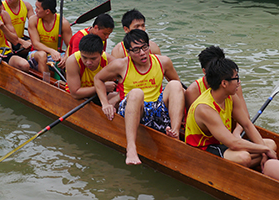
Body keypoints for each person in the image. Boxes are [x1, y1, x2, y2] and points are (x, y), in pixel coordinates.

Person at [94, 29, 185, 165]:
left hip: (156, 110)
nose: (142, 53)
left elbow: (179, 88)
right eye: (136, 50)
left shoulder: (164, 62)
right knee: (137, 93)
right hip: (133, 110)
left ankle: (175, 133)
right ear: (128, 52)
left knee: (175, 85)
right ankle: (131, 148)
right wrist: (105, 103)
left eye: (144, 47)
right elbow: (98, 79)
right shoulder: (121, 65)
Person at [185, 57, 277, 171]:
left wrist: (264, 152)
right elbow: (233, 143)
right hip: (203, 148)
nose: (239, 82)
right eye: (236, 78)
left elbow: (247, 125)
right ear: (224, 83)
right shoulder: (205, 109)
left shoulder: (231, 97)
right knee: (244, 158)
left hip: (224, 143)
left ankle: (247, 166)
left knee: (271, 144)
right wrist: (264, 150)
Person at [185, 46, 248, 136]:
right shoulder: (193, 91)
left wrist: (237, 132)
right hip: (210, 138)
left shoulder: (233, 84)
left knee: (271, 144)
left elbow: (245, 116)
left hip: (229, 136)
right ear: (204, 71)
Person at [65, 34, 117, 103]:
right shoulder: (73, 61)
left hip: (99, 94)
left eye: (93, 58)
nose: (88, 62)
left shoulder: (110, 61)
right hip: (79, 96)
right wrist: (102, 87)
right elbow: (75, 94)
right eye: (84, 57)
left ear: (101, 53)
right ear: (80, 52)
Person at [27, 0, 72, 74]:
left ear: (47, 11)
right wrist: (51, 51)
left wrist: (66, 56)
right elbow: (35, 44)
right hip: (36, 54)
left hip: (56, 55)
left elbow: (70, 45)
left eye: (38, 8)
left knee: (72, 59)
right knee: (42, 55)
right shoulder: (33, 20)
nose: (35, 10)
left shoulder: (63, 23)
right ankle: (47, 82)